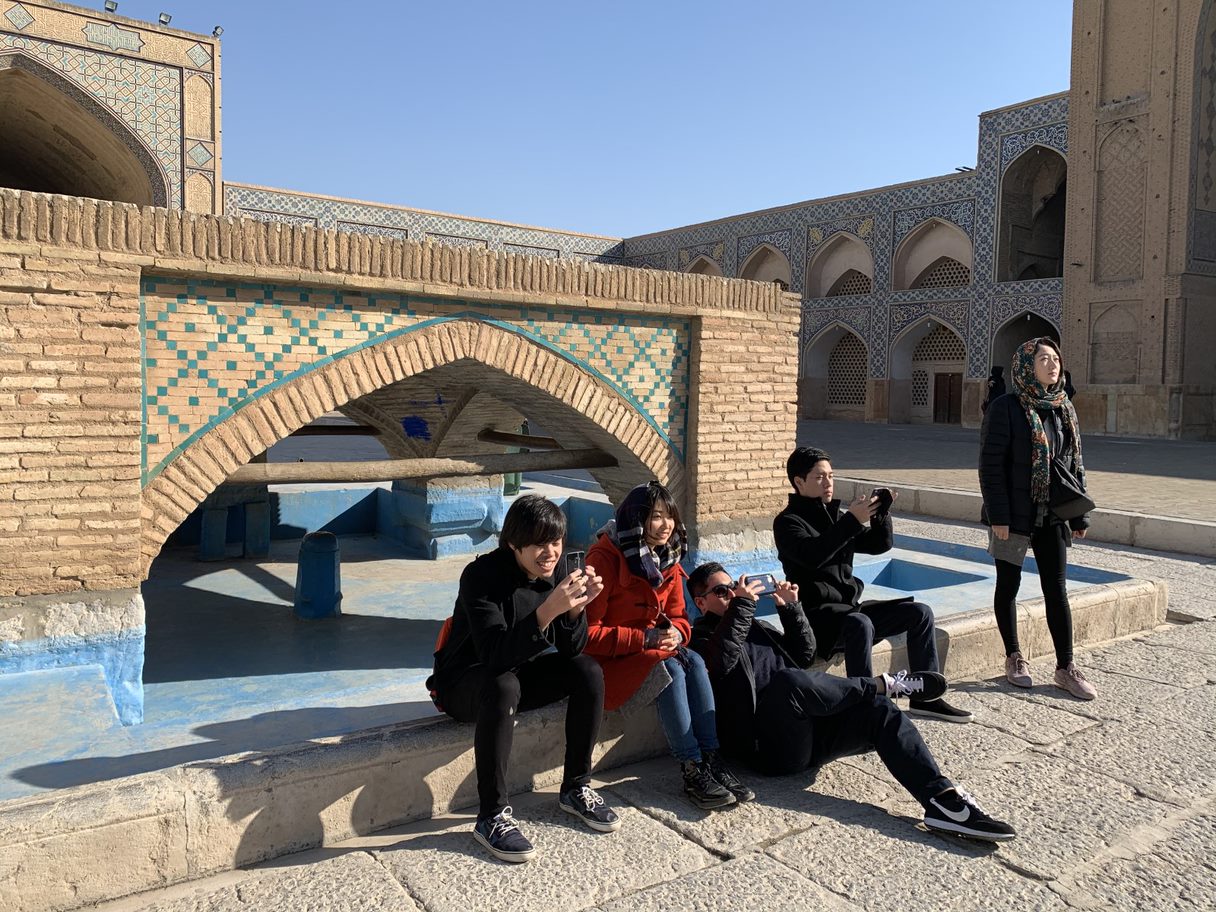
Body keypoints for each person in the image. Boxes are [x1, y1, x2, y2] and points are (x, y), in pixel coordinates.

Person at [687, 563, 1016, 842]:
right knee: (789, 683)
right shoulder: (699, 639)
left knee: (881, 711)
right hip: (770, 748)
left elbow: (803, 656)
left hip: (809, 732)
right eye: (722, 592)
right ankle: (884, 684)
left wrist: (791, 609)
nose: (732, 593)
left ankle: (943, 802)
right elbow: (720, 663)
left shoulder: (757, 626)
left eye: (733, 587)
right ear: (700, 603)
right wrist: (742, 607)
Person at [426, 495, 621, 864]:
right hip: (464, 683)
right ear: (514, 543)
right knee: (504, 684)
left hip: (516, 674)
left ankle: (576, 787)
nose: (549, 553)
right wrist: (549, 610)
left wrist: (576, 609)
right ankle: (491, 816)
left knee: (588, 671)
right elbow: (494, 656)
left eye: (556, 542)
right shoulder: (481, 577)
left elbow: (571, 649)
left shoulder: (559, 570)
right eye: (538, 543)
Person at [773, 446, 973, 723]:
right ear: (798, 482)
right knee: (860, 623)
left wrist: (881, 514)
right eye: (819, 477)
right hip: (819, 620)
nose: (828, 482)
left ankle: (926, 698)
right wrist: (852, 520)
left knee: (920, 613)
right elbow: (813, 555)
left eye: (831, 475)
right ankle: (865, 707)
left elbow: (879, 544)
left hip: (850, 612)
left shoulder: (835, 516)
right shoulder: (787, 522)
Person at [585, 481, 752, 809]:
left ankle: (710, 757)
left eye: (670, 517)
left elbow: (679, 617)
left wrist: (677, 632)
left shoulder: (670, 557)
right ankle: (691, 767)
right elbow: (589, 634)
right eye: (656, 517)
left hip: (654, 651)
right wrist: (645, 638)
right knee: (673, 666)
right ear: (636, 519)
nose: (666, 526)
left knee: (691, 657)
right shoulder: (605, 557)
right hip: (613, 661)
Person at [979, 337, 1096, 699]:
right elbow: (991, 465)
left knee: (1056, 590)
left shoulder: (1063, 408)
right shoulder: (1006, 407)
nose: (1052, 364)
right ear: (1027, 366)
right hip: (1013, 515)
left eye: (1055, 358)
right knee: (1008, 586)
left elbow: (1073, 465)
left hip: (1053, 515)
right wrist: (998, 515)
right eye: (1043, 359)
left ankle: (1065, 666)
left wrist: (1079, 516)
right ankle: (1014, 656)